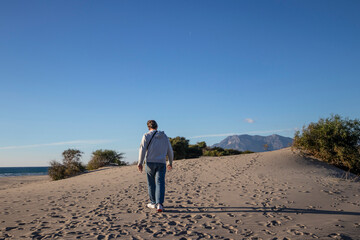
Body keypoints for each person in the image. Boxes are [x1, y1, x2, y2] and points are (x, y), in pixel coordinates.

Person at [138, 120, 174, 212]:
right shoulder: (164, 136)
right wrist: (170, 162)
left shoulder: (146, 135)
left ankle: (153, 202)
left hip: (150, 162)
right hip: (161, 163)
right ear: (157, 127)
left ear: (148, 127)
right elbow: (170, 150)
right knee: (160, 183)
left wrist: (140, 163)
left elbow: (142, 149)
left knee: (151, 183)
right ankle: (160, 204)